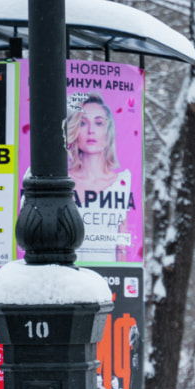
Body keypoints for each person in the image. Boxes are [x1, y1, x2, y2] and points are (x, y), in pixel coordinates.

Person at [65, 92, 134, 262]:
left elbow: (122, 245)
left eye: (98, 123)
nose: (91, 131)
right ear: (75, 129)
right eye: (83, 122)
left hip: (105, 280)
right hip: (69, 278)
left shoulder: (122, 183)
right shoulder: (62, 181)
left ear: (108, 130)